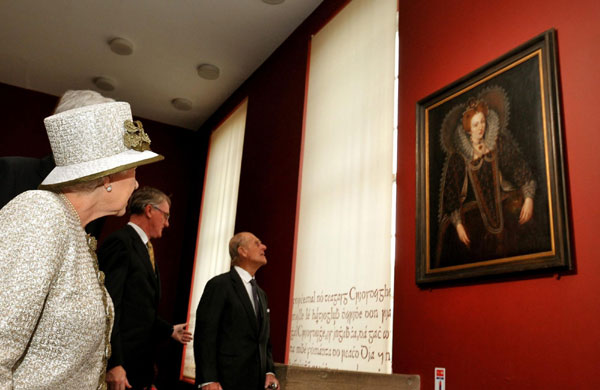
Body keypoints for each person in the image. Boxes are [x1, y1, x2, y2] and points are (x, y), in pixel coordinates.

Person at [0, 92, 164, 390]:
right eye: (134, 170)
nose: (138, 183)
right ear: (107, 180)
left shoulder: (78, 233)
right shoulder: (41, 212)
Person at [98, 186, 193, 390]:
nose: (167, 223)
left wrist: (168, 330)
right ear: (150, 210)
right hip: (121, 368)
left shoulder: (144, 248)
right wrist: (113, 363)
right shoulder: (121, 243)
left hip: (138, 366)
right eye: (165, 216)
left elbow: (138, 308)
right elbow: (108, 305)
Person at [436, 86, 538, 268]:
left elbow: (517, 167)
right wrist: (458, 225)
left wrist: (529, 197)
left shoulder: (497, 143)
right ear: (468, 129)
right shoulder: (458, 158)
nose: (481, 127)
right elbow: (451, 195)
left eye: (482, 122)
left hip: (501, 204)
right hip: (472, 215)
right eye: (476, 124)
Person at [194, 232, 280, 390]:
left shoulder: (262, 295)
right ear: (242, 251)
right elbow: (205, 335)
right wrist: (208, 379)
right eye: (257, 243)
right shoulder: (219, 285)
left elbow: (264, 341)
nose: (264, 247)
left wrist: (269, 371)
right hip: (225, 383)